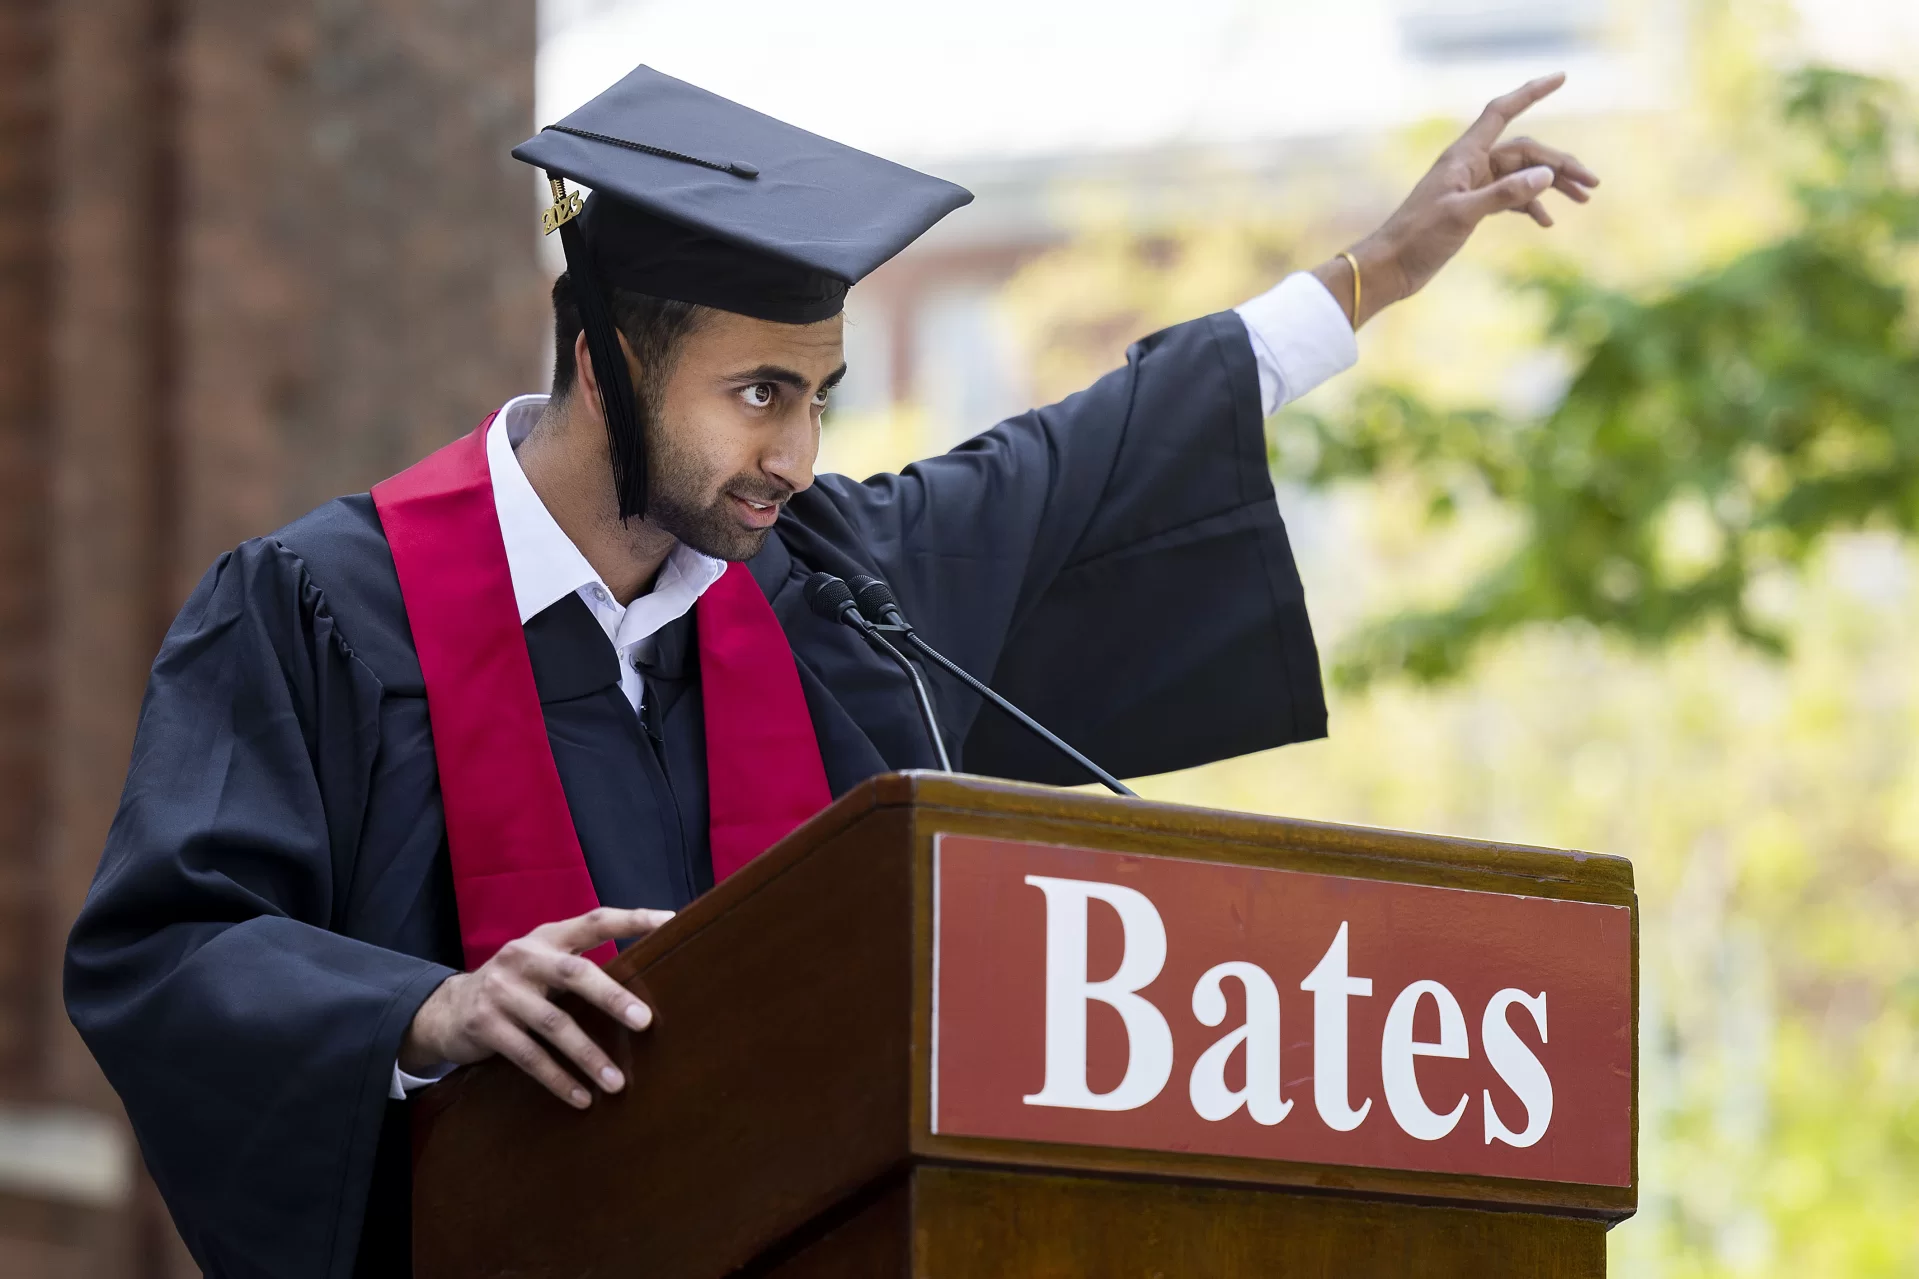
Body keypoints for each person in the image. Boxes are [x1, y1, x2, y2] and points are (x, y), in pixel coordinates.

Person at [63, 63, 1598, 1278]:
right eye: (756, 394)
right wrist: (425, 1013)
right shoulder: (324, 608)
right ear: (600, 356)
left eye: (818, 396)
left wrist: (1371, 274)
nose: (795, 453)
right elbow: (171, 946)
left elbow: (1083, 466)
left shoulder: (826, 588)